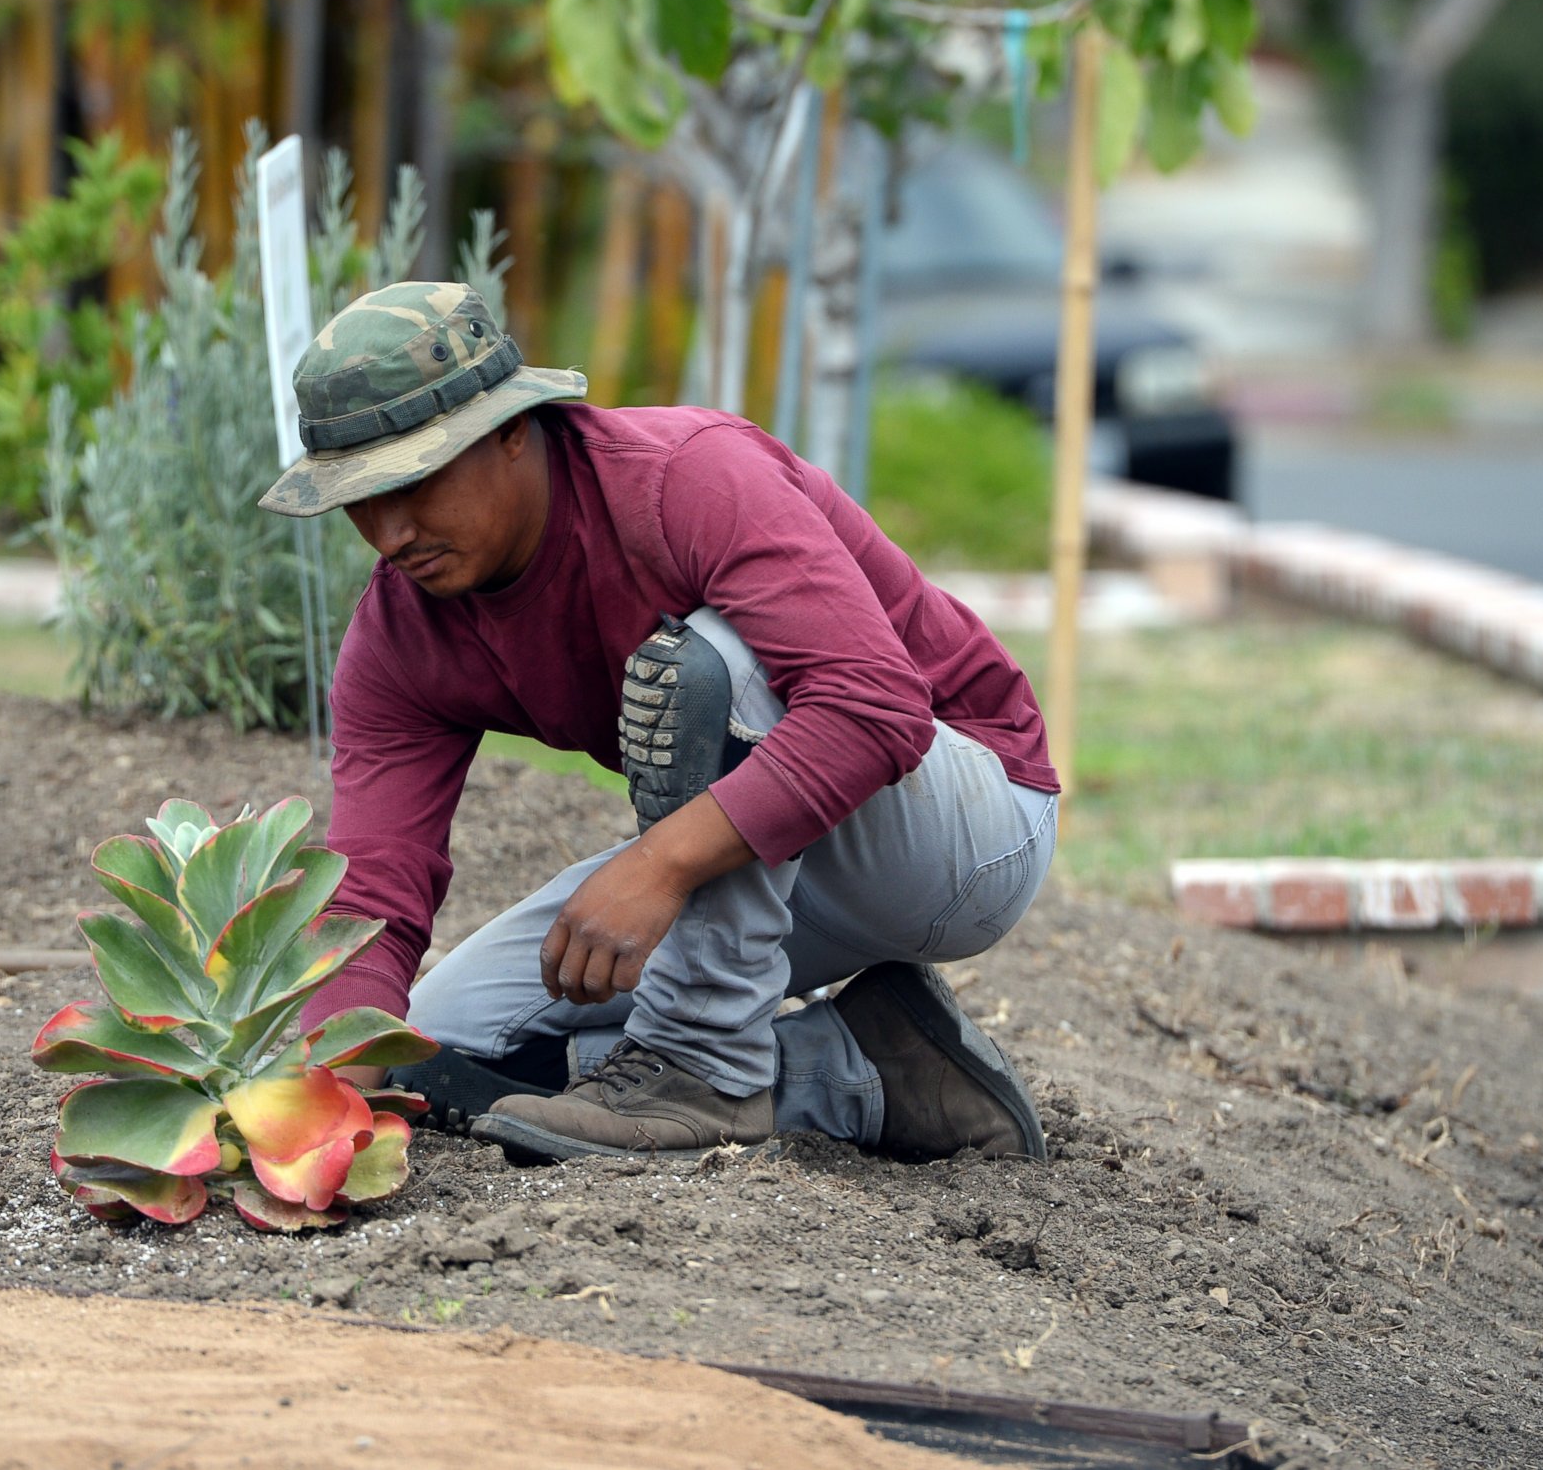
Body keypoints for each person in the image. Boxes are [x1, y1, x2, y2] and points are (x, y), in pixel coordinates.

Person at [262, 281, 1059, 1163]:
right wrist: (326, 1078)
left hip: (964, 823)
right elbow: (376, 891)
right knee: (441, 1044)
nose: (391, 528)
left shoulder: (684, 477)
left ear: (511, 427)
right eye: (359, 499)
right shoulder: (400, 632)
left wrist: (662, 863)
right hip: (781, 846)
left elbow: (875, 707)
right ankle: (875, 1064)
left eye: (414, 479)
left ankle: (702, 1065)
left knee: (705, 658)